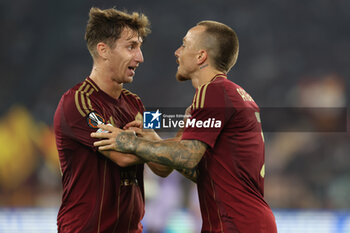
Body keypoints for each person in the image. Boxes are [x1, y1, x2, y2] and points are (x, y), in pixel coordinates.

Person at [92, 20, 278, 233]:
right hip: (242, 221)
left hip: (236, 224)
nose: (177, 52)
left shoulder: (213, 92)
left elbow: (187, 156)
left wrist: (128, 142)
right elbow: (200, 170)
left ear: (201, 56)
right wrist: (151, 139)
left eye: (184, 45)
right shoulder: (233, 95)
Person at [54, 7, 171, 233]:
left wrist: (152, 142)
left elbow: (164, 166)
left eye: (140, 47)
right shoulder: (77, 102)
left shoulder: (137, 103)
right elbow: (123, 157)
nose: (140, 57)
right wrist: (155, 145)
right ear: (103, 50)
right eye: (131, 47)